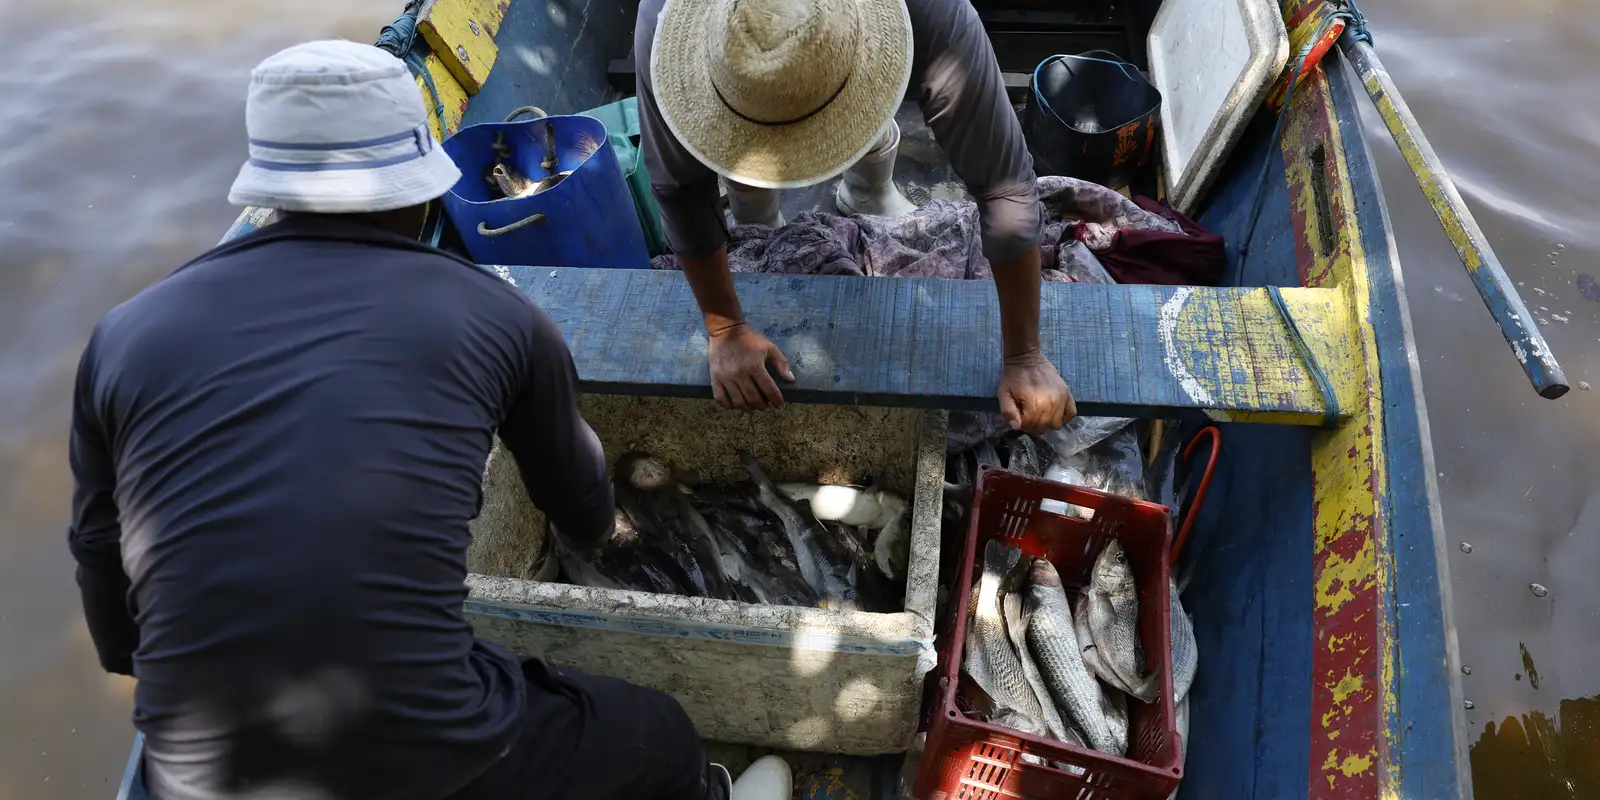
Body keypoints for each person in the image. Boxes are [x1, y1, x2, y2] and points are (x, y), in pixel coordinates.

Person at [67, 40, 787, 800]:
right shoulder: (499, 316)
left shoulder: (120, 337)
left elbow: (117, 636)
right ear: (417, 193)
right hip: (427, 755)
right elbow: (583, 517)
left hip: (191, 778)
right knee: (662, 736)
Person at [637, 0, 1076, 432]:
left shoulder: (934, 15)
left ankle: (867, 189)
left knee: (849, 106)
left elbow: (1003, 185)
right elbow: (679, 191)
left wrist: (1024, 355)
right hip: (737, 104)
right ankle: (756, 210)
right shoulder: (664, 31)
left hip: (866, 58)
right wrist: (726, 328)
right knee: (749, 181)